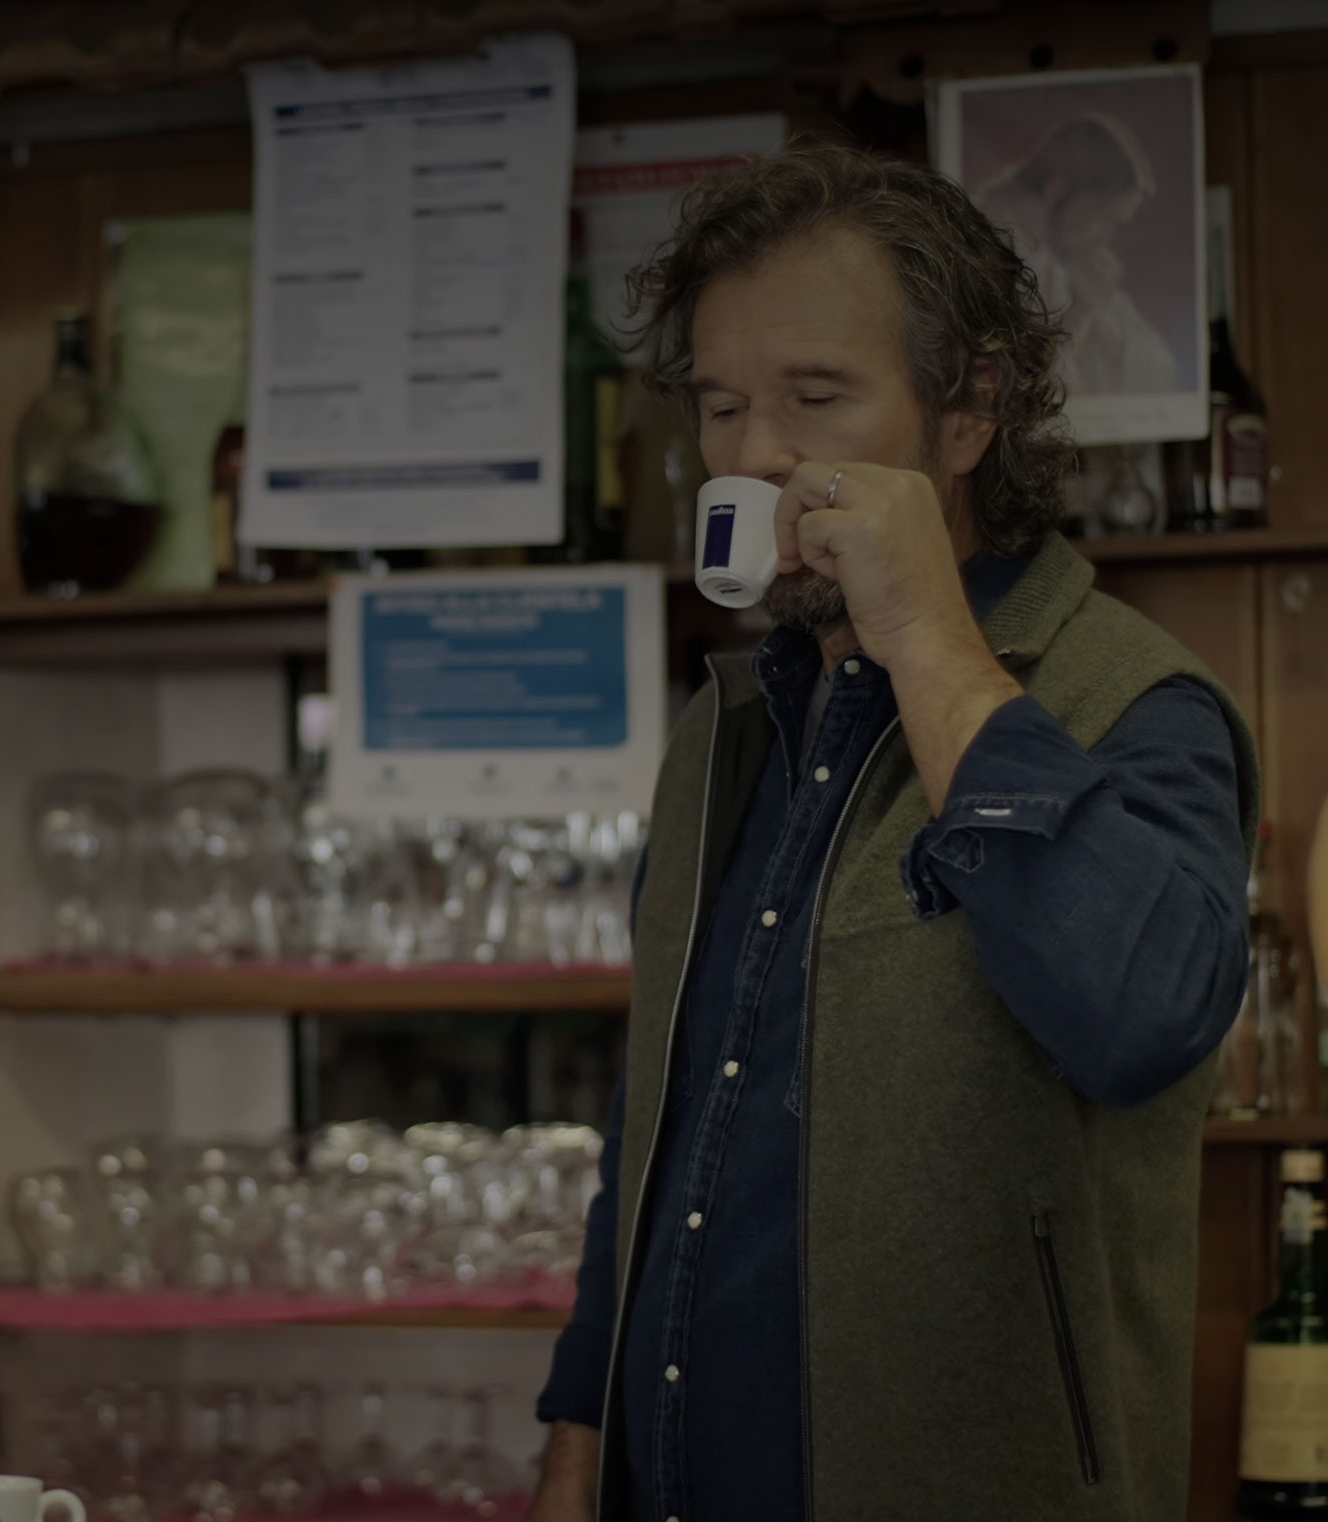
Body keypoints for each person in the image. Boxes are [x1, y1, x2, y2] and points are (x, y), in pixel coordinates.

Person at [528, 142, 1256, 1522]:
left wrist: (924, 633)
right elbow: (657, 1120)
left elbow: (1148, 1016)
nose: (755, 453)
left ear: (970, 410)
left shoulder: (1134, 702)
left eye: (815, 397)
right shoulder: (727, 729)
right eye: (722, 405)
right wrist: (578, 1429)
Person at [971, 113, 1185, 396]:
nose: (1105, 238)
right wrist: (1081, 313)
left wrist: (1101, 321)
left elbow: (1162, 369)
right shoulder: (979, 249)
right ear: (1056, 193)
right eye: (1103, 219)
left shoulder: (1056, 249)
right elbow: (1019, 392)